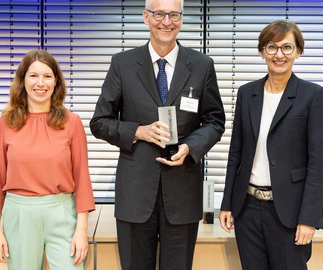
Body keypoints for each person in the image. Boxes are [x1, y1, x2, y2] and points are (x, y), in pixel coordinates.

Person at [90, 0, 225, 269]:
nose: (167, 21)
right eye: (159, 14)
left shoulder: (201, 65)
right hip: (135, 193)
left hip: (183, 192)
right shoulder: (123, 64)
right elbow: (100, 122)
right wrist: (138, 131)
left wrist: (190, 147)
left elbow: (214, 121)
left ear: (182, 18)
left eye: (174, 14)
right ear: (146, 17)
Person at [219, 20, 323, 270]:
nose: (279, 54)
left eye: (287, 48)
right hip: (247, 208)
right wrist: (227, 202)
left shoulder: (313, 96)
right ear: (262, 52)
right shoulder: (247, 93)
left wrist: (309, 219)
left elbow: (317, 163)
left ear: (298, 52)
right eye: (272, 47)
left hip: (289, 213)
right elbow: (236, 152)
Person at [0, 50, 95, 270]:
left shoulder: (72, 122)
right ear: (22, 80)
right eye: (33, 76)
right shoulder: (6, 123)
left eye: (47, 76)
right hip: (19, 214)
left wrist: (81, 231)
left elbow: (82, 178)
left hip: (62, 212)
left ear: (56, 82)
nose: (40, 83)